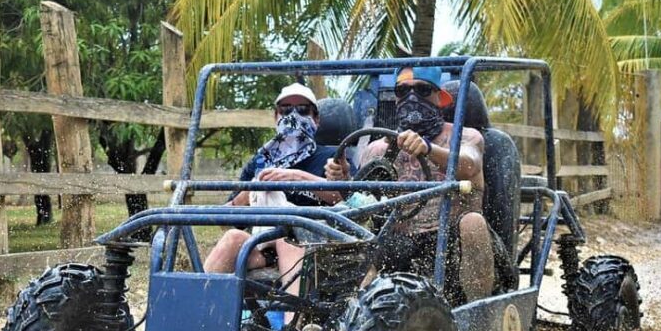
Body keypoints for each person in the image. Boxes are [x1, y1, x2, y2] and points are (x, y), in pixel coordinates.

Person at [325, 66, 495, 304]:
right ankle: (347, 319)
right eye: (402, 91)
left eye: (423, 90)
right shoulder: (378, 150)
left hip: (454, 242)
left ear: (440, 97)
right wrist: (342, 181)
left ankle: (478, 321)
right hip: (398, 242)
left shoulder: (465, 137)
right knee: (357, 235)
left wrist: (427, 148)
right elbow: (362, 203)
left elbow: (470, 165)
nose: (411, 98)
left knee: (473, 222)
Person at [203, 83, 343, 304]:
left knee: (288, 241)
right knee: (232, 238)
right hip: (264, 250)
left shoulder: (333, 157)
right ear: (276, 117)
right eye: (286, 110)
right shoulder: (260, 161)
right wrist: (250, 194)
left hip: (316, 251)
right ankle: (195, 316)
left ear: (316, 119)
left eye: (303, 110)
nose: (294, 116)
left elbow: (347, 200)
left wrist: (298, 177)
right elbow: (225, 220)